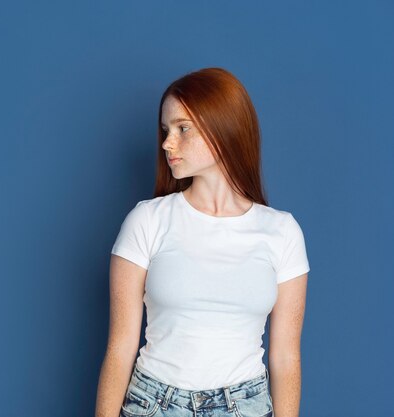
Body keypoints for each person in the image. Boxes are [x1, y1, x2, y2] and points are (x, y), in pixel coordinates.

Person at [95, 67, 310, 417]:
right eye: (166, 130)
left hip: (245, 406)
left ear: (222, 129)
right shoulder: (147, 220)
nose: (167, 142)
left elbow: (286, 357)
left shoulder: (282, 232)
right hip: (153, 403)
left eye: (183, 129)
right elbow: (120, 347)